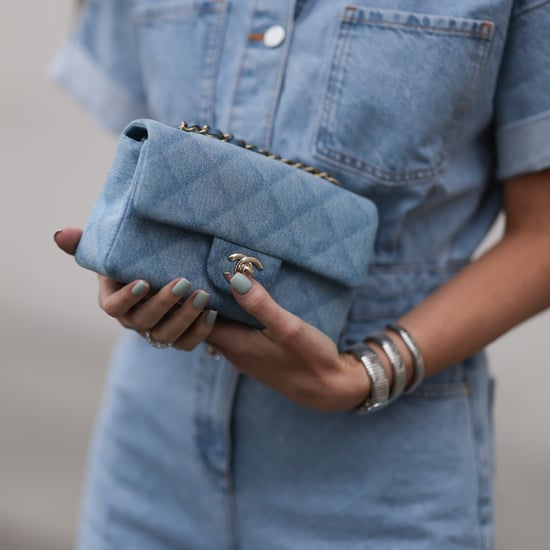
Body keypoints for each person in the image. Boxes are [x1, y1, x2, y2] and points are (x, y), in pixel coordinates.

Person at [52, 1, 550, 548]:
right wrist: (130, 250)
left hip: (379, 478)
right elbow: (149, 144)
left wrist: (368, 373)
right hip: (147, 455)